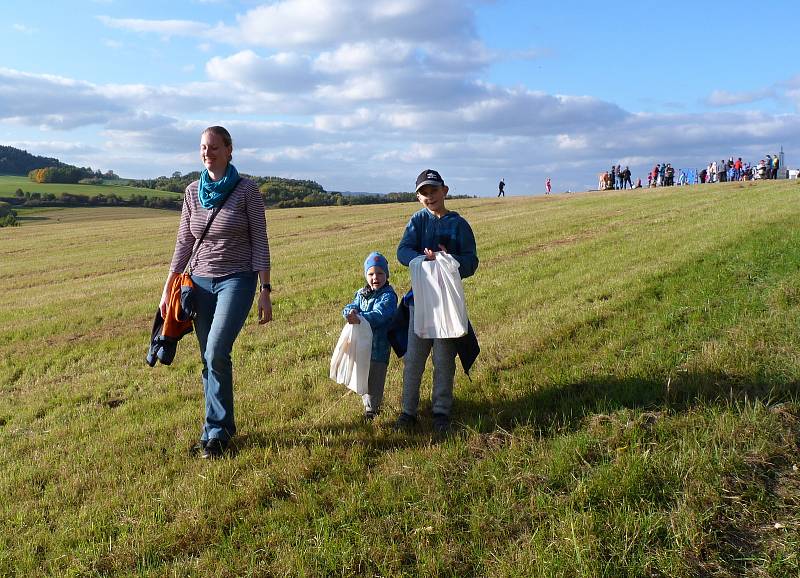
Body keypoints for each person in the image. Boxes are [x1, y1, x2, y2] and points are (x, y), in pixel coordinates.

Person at [161, 126, 272, 459]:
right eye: (202, 147)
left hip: (236, 280)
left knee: (216, 352)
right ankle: (213, 430)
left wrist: (265, 289)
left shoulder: (246, 190)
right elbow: (184, 241)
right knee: (208, 358)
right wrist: (169, 285)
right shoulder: (192, 191)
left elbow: (260, 241)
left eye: (212, 147)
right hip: (199, 283)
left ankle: (219, 432)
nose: (206, 152)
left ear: (228, 149)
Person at [395, 169, 479, 435]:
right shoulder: (417, 221)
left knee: (444, 360)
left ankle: (441, 411)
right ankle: (408, 412)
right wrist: (423, 258)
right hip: (419, 302)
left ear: (445, 190)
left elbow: (471, 261)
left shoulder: (459, 224)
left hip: (446, 305)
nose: (429, 197)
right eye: (424, 193)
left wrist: (449, 260)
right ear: (418, 197)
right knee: (414, 360)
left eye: (433, 191)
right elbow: (402, 251)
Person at [341, 252, 398, 421]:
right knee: (363, 376)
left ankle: (372, 410)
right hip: (362, 346)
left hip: (379, 347)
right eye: (371, 274)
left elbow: (380, 314)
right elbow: (352, 305)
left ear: (386, 275)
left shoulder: (388, 296)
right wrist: (349, 312)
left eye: (380, 273)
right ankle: (368, 405)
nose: (375, 278)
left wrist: (360, 318)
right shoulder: (362, 293)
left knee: (375, 379)